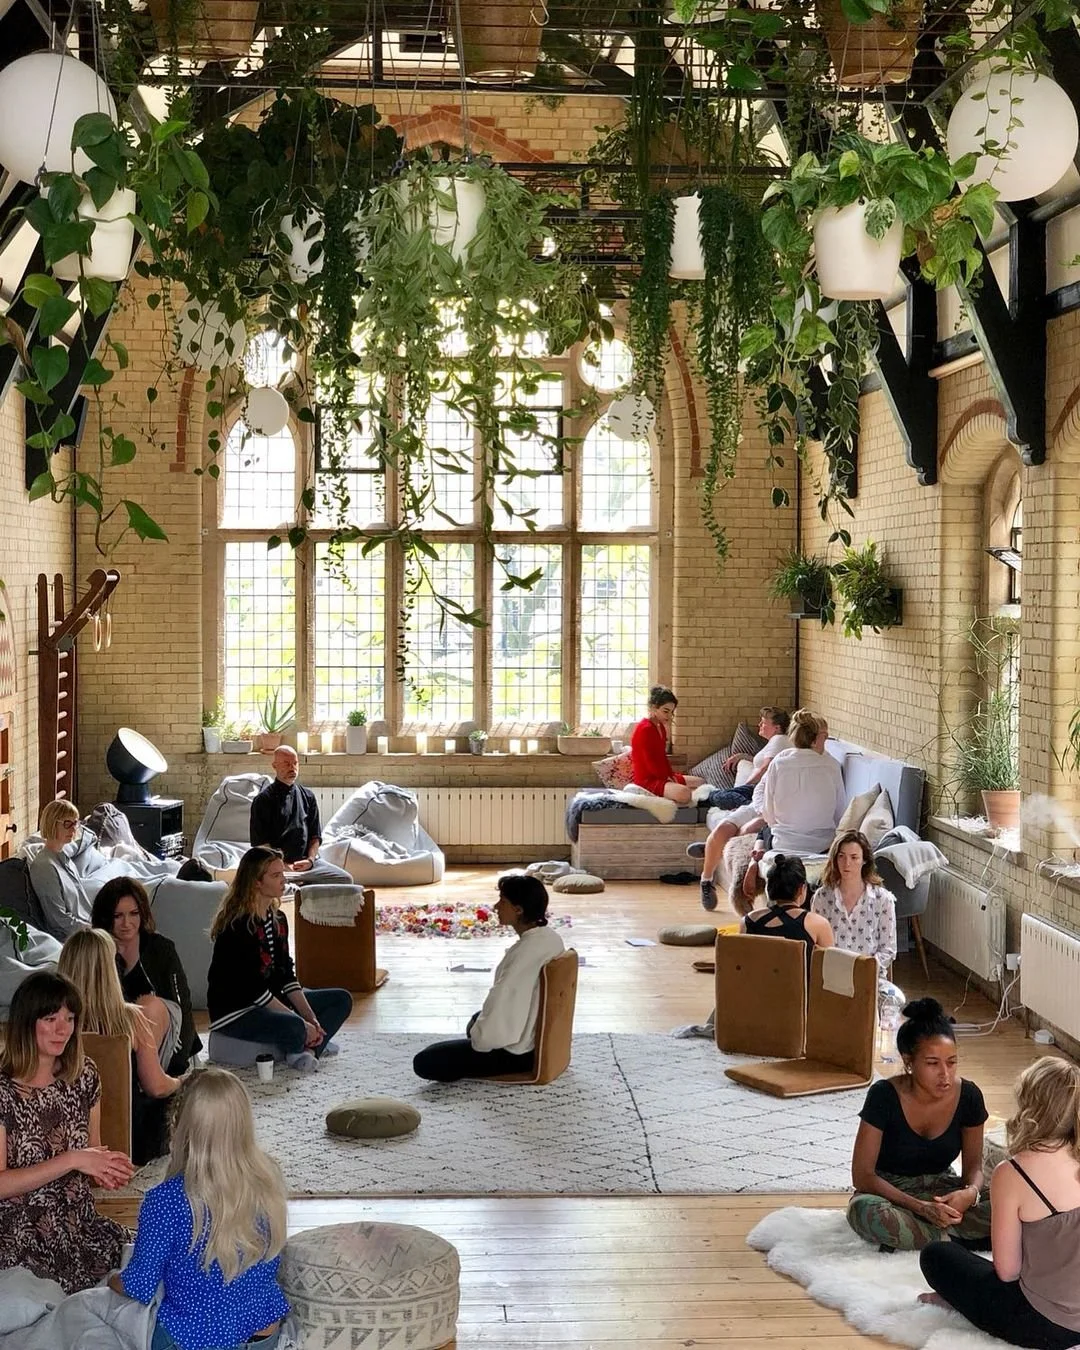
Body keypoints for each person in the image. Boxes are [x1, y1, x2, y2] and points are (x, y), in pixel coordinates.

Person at [110, 1067, 290, 1350]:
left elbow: (139, 1286)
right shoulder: (268, 1179)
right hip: (264, 1335)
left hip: (193, 1340)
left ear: (179, 1126)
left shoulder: (164, 1200)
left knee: (102, 1320)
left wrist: (111, 1282)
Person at [919, 1057, 1080, 1348]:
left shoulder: (1013, 1172)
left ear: (1030, 1106)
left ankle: (960, 1302)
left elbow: (1008, 1271)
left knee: (937, 1255)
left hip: (1045, 1325)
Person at [0, 970, 134, 1292]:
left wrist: (104, 1171)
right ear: (26, 1021)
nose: (63, 1029)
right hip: (20, 1233)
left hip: (79, 1223)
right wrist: (72, 1159)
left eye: (70, 1018)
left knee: (154, 1267)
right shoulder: (3, 1091)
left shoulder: (84, 1075)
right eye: (50, 1018)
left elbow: (93, 1153)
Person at [847, 997, 991, 1251]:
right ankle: (955, 1239)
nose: (945, 1074)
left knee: (1008, 1200)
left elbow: (974, 1169)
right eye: (933, 1064)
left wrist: (969, 1195)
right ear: (909, 1061)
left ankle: (925, 1237)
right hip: (892, 1194)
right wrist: (920, 1208)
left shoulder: (969, 1096)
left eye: (952, 1062)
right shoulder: (883, 1095)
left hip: (944, 1189)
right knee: (866, 1213)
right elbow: (862, 1175)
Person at [206, 846, 352, 1073]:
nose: (283, 880)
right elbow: (254, 991)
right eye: (275, 876)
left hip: (273, 1000)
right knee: (294, 1025)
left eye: (282, 874)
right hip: (239, 1011)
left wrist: (311, 1019)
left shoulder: (278, 919)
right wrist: (300, 1022)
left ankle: (309, 1050)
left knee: (341, 1000)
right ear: (256, 882)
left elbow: (286, 974)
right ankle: (300, 1047)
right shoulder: (237, 927)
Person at [414, 873, 565, 1082]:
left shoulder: (524, 954)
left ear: (518, 910)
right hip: (532, 1035)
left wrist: (481, 1039)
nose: (496, 907)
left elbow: (506, 999)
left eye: (502, 901)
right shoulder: (549, 938)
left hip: (518, 1053)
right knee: (476, 1021)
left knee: (425, 1061)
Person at [58, 927, 183, 1165]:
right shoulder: (131, 1019)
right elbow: (156, 1086)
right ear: (109, 971)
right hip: (131, 1141)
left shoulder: (51, 1025)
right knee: (183, 1095)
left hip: (67, 1140)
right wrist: (182, 1081)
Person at [91, 875, 202, 1075]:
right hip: (119, 1040)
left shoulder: (161, 949)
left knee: (149, 1007)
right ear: (106, 917)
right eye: (118, 916)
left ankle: (149, 1079)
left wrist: (180, 1062)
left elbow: (182, 1005)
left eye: (133, 914)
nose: (127, 923)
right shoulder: (96, 952)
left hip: (166, 1041)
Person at [688, 708, 792, 912]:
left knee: (716, 797)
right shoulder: (776, 744)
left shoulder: (781, 741)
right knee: (722, 827)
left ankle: (713, 850)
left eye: (764, 721)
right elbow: (763, 762)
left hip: (761, 798)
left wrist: (741, 788)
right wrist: (744, 756)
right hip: (757, 798)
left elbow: (765, 768)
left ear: (777, 727)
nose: (760, 725)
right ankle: (707, 880)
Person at [810, 831, 904, 1003]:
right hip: (832, 979)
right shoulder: (822, 897)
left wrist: (862, 969)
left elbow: (888, 950)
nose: (847, 863)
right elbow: (816, 946)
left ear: (864, 860)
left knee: (895, 1000)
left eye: (854, 857)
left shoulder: (883, 899)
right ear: (835, 859)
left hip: (870, 978)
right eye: (842, 856)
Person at [249, 746, 351, 885]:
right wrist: (283, 866)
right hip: (278, 866)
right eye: (286, 764)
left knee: (344, 879)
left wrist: (310, 860)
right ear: (275, 766)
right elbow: (261, 844)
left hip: (307, 865)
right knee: (269, 881)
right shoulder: (263, 800)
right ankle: (294, 882)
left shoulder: (308, 796)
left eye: (295, 763)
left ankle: (298, 882)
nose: (292, 768)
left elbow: (315, 836)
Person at [761, 709, 846, 856]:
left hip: (783, 844)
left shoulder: (779, 763)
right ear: (814, 740)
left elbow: (768, 813)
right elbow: (840, 813)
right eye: (824, 737)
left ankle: (756, 859)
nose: (826, 741)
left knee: (763, 832)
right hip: (822, 846)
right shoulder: (832, 765)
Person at [741, 854, 834, 955]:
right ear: (801, 889)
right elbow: (829, 966)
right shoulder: (819, 924)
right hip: (800, 971)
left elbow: (738, 965)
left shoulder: (748, 921)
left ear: (768, 888)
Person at [28, 797, 91, 940]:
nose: (74, 829)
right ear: (52, 824)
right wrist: (95, 931)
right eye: (67, 824)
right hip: (70, 938)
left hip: (84, 927)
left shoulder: (63, 856)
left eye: (75, 823)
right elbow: (58, 920)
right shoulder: (44, 866)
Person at [629, 686, 705, 806]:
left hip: (662, 776)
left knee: (701, 782)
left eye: (671, 712)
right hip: (648, 779)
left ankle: (673, 792)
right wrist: (667, 779)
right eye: (665, 711)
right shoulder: (645, 729)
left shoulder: (660, 728)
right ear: (654, 708)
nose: (669, 716)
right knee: (685, 793)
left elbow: (663, 758)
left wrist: (671, 776)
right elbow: (650, 762)